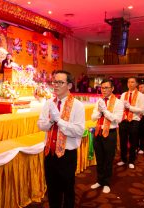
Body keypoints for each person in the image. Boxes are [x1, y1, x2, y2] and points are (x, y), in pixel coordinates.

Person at [37, 70, 85, 208]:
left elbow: (78, 131)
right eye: (54, 82)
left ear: (69, 85)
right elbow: (40, 125)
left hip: (66, 155)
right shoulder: (49, 103)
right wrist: (51, 121)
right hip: (49, 153)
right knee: (52, 189)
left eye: (60, 82)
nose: (56, 85)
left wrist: (59, 120)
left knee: (68, 189)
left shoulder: (77, 105)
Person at [90, 79, 124, 193]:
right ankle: (99, 180)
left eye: (106, 87)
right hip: (98, 132)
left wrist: (105, 111)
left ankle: (107, 182)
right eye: (102, 87)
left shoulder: (118, 102)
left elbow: (117, 119)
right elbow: (93, 117)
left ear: (112, 88)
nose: (103, 90)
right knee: (99, 158)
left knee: (108, 159)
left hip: (110, 133)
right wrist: (99, 112)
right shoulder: (99, 101)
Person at [117, 77, 144, 169]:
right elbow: (120, 107)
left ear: (136, 84)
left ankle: (132, 160)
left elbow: (141, 110)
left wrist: (130, 107)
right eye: (128, 82)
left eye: (132, 82)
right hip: (124, 120)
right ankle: (123, 159)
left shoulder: (140, 95)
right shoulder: (124, 94)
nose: (130, 84)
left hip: (134, 121)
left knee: (133, 142)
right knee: (123, 141)